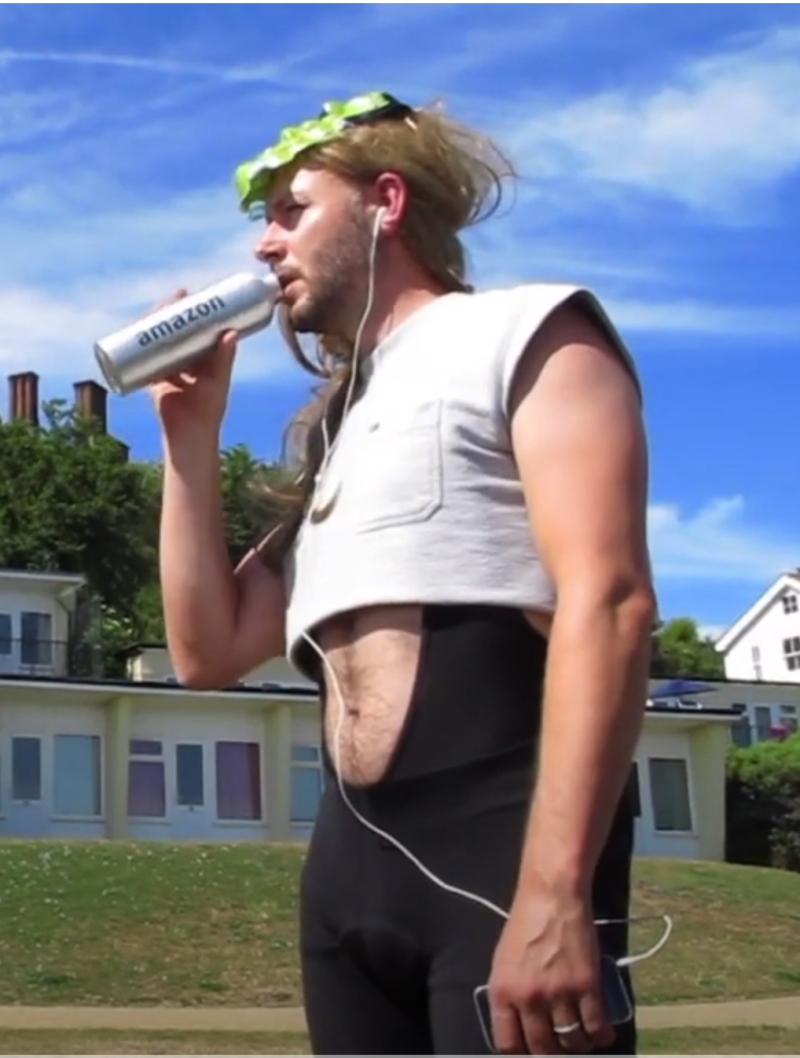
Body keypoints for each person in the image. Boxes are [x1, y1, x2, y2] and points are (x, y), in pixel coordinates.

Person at [153, 91, 658, 1055]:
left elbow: (612, 601)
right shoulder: (335, 432)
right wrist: (189, 436)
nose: (264, 244)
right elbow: (205, 651)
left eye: (292, 210)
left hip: (502, 854)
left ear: (386, 202)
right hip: (349, 875)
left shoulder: (530, 330)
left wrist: (555, 892)